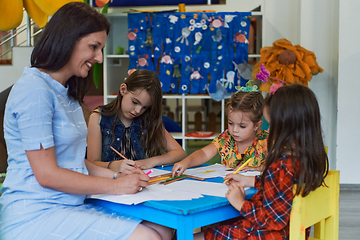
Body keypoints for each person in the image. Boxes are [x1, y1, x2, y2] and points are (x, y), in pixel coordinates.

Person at [0, 2, 172, 240]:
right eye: (94, 47)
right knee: (149, 237)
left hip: (68, 206)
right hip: (35, 213)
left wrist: (118, 176)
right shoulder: (34, 90)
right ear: (68, 39)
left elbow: (74, 163)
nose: (99, 58)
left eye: (100, 49)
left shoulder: (65, 91)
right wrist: (116, 186)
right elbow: (48, 175)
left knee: (164, 229)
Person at [195, 84, 329, 239]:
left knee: (198, 236)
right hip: (289, 232)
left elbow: (273, 220)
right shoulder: (307, 160)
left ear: (287, 126)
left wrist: (240, 203)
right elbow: (281, 189)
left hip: (265, 233)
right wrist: (252, 180)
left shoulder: (281, 166)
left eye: (271, 123)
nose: (269, 130)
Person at [86, 69, 186, 173]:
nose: (138, 110)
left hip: (140, 181)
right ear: (123, 89)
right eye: (135, 102)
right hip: (109, 182)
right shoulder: (98, 117)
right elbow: (92, 164)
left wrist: (151, 161)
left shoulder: (148, 119)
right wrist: (114, 166)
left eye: (145, 107)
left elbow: (179, 153)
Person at [171, 91, 268, 177]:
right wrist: (186, 162)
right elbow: (204, 153)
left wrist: (260, 168)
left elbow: (279, 166)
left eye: (242, 126)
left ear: (257, 125)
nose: (234, 130)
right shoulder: (226, 138)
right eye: (230, 123)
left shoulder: (266, 141)